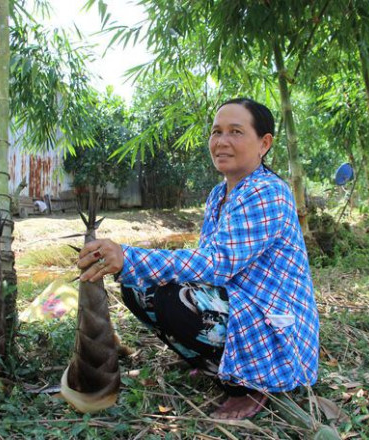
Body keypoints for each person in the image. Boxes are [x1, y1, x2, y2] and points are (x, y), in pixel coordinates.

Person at [77, 98, 319, 420]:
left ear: (264, 143)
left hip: (271, 322)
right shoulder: (219, 195)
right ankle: (218, 366)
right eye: (216, 132)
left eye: (235, 131)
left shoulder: (267, 192)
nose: (221, 141)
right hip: (239, 303)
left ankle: (251, 385)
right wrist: (136, 267)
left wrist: (130, 256)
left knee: (177, 299)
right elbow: (204, 264)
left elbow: (216, 264)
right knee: (138, 287)